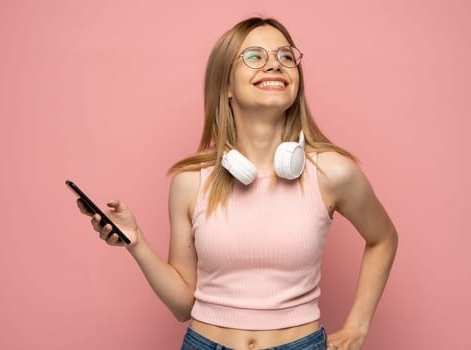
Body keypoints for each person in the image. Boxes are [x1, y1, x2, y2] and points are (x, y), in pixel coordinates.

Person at [76, 17, 398, 350]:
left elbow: (383, 238)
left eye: (286, 57)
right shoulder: (189, 182)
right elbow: (182, 305)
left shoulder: (332, 171)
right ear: (226, 85)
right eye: (255, 57)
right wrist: (136, 241)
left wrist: (357, 327)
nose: (274, 64)